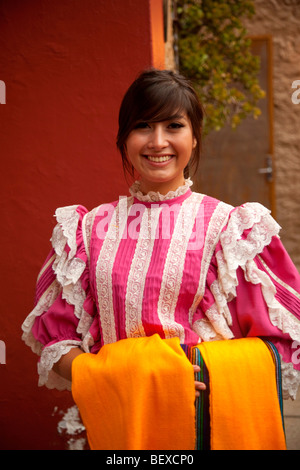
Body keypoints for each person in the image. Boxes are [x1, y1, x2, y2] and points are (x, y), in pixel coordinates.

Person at [22, 69, 300, 448]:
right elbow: (57, 342)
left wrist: (210, 371)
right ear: (123, 139)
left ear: (194, 137)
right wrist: (125, 375)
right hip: (125, 427)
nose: (158, 142)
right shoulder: (87, 231)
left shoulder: (231, 230)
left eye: (173, 126)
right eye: (143, 126)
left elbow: (280, 344)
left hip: (210, 424)